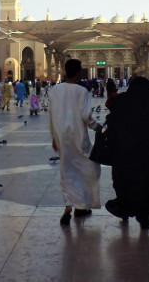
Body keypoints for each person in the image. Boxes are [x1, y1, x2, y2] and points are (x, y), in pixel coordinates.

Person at [104, 76, 149, 229]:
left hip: (125, 155)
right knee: (148, 185)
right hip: (148, 155)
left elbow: (113, 124)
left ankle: (125, 211)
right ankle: (145, 217)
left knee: (125, 184)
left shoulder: (123, 102)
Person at [49, 59, 101, 225]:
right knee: (88, 168)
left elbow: (52, 116)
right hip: (78, 136)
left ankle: (69, 205)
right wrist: (97, 127)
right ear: (78, 72)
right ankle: (81, 206)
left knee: (67, 171)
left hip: (61, 136)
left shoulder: (54, 90)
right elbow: (86, 116)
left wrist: (54, 138)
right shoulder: (81, 91)